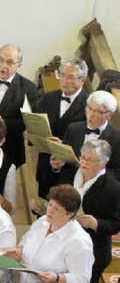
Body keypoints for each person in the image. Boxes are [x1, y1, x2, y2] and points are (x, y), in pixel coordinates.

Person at [31, 139, 120, 283]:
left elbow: (116, 223)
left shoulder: (113, 188)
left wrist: (96, 223)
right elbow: (50, 192)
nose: (84, 163)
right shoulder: (69, 173)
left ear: (104, 163)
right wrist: (40, 206)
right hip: (59, 242)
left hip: (92, 248)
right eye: (82, 157)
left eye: (90, 159)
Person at [34, 58, 89, 198]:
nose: (64, 80)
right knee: (43, 211)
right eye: (62, 75)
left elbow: (87, 141)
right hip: (46, 166)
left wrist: (62, 148)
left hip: (70, 172)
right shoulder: (48, 98)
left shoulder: (89, 106)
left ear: (82, 80)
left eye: (70, 77)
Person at [46, 90, 120, 186]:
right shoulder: (73, 128)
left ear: (110, 114)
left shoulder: (117, 139)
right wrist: (57, 166)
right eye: (89, 108)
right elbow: (64, 163)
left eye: (98, 111)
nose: (91, 115)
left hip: (95, 191)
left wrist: (94, 170)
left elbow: (117, 173)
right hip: (67, 188)